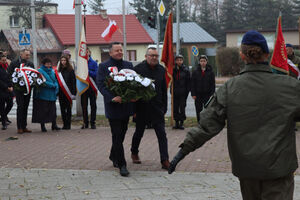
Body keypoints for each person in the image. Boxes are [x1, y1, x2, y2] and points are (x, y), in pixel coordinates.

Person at [168, 30, 300, 200]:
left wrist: (183, 151)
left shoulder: (230, 88)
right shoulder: (290, 86)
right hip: (278, 168)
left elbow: (208, 124)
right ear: (267, 54)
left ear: (242, 56)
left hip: (247, 168)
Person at [96, 42, 134, 177]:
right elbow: (100, 84)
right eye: (116, 50)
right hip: (113, 106)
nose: (119, 52)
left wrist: (133, 96)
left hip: (126, 105)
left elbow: (134, 83)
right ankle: (122, 164)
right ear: (110, 52)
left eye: (121, 50)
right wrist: (112, 97)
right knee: (117, 135)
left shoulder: (128, 66)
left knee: (122, 134)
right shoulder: (104, 66)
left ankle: (113, 155)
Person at [130, 47, 170, 170]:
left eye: (156, 56)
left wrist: (164, 107)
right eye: (151, 55)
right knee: (139, 132)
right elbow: (134, 91)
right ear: (146, 56)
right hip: (142, 108)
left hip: (157, 108)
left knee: (162, 134)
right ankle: (134, 152)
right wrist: (134, 111)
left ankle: (165, 159)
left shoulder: (161, 70)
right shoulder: (137, 70)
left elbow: (164, 90)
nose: (154, 58)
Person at [7, 49, 34, 134]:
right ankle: (19, 127)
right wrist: (13, 85)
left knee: (25, 107)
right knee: (20, 107)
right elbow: (10, 75)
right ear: (21, 54)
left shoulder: (30, 64)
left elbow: (33, 75)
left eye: (29, 55)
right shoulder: (14, 63)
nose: (28, 57)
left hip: (27, 89)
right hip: (18, 89)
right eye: (26, 55)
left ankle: (24, 126)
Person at [32, 58, 60, 132]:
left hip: (52, 95)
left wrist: (56, 85)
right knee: (43, 111)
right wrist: (52, 85)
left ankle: (54, 125)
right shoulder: (39, 71)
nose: (49, 65)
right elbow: (41, 82)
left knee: (53, 111)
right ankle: (43, 126)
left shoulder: (52, 71)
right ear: (43, 64)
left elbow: (56, 80)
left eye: (50, 63)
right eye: (47, 63)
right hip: (43, 95)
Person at [191, 55, 215, 123]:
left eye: (204, 61)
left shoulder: (210, 72)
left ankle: (206, 122)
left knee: (207, 109)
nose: (203, 62)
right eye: (201, 61)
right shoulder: (195, 72)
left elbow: (213, 84)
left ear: (206, 62)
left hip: (207, 94)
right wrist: (193, 94)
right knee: (198, 109)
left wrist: (212, 94)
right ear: (199, 62)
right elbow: (192, 83)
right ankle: (199, 122)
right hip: (198, 94)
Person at [56, 55, 76, 130]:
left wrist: (74, 93)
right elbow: (57, 82)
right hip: (61, 93)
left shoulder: (71, 70)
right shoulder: (58, 71)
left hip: (69, 93)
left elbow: (73, 82)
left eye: (64, 60)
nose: (63, 62)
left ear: (67, 61)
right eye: (62, 60)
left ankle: (68, 124)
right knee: (62, 109)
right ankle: (64, 124)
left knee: (69, 109)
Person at [172, 55, 190, 130]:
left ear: (182, 61)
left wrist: (187, 91)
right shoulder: (173, 70)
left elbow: (188, 82)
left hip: (183, 92)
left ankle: (181, 122)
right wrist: (171, 91)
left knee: (182, 108)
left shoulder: (186, 70)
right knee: (175, 108)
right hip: (175, 92)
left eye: (180, 60)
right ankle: (176, 122)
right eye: (177, 60)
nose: (179, 61)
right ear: (175, 61)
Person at [81, 48, 98, 129]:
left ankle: (93, 122)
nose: (86, 53)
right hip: (83, 87)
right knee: (84, 106)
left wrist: (87, 71)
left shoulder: (94, 63)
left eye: (87, 52)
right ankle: (85, 122)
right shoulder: (81, 63)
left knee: (93, 105)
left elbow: (96, 74)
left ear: (89, 53)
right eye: (84, 52)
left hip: (92, 87)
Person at [0, 54, 13, 130]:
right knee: (1, 106)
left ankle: (3, 117)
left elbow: (10, 77)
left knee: (10, 104)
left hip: (8, 90)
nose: (5, 61)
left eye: (5, 60)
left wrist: (11, 86)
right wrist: (6, 87)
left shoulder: (7, 67)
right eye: (3, 60)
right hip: (1, 90)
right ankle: (4, 123)